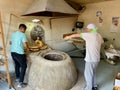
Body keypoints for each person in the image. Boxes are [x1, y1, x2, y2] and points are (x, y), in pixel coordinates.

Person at [64, 24, 104, 90]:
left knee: (88, 74)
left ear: (91, 29)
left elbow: (75, 35)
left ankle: (89, 88)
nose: (86, 29)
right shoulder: (98, 35)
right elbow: (102, 42)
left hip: (90, 59)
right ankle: (94, 86)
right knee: (93, 72)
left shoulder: (88, 35)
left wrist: (67, 37)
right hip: (97, 58)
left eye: (87, 28)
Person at [11, 24, 29, 88]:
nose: (25, 31)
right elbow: (25, 45)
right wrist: (28, 48)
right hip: (19, 54)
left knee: (17, 65)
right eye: (25, 30)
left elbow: (11, 42)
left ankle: (18, 78)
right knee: (24, 66)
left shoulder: (13, 34)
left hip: (13, 52)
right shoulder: (22, 34)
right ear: (22, 29)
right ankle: (20, 83)